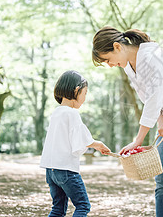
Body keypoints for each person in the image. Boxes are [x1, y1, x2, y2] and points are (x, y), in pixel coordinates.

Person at [92, 26, 163, 217]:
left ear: (117, 47)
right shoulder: (129, 65)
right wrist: (161, 119)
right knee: (162, 182)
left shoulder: (153, 57)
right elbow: (146, 95)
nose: (110, 65)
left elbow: (155, 97)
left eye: (108, 59)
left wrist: (138, 140)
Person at [40, 70, 111, 217]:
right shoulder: (72, 113)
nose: (85, 98)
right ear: (76, 90)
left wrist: (95, 144)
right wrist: (97, 144)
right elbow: (80, 140)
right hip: (66, 170)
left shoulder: (56, 112)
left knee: (58, 209)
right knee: (83, 206)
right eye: (85, 93)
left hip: (51, 170)